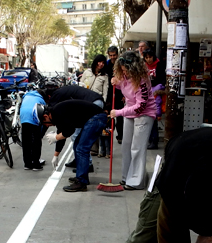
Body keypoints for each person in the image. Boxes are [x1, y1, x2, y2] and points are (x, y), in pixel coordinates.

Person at [40, 85, 108, 192]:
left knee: (81, 148)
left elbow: (68, 131)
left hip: (96, 118)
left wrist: (56, 137)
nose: (48, 126)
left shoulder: (57, 112)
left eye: (45, 124)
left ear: (45, 116)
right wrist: (56, 155)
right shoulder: (55, 112)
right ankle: (81, 177)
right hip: (95, 118)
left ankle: (81, 182)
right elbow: (63, 133)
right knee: (77, 145)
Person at [110, 51, 158, 190]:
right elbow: (126, 87)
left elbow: (139, 107)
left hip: (144, 114)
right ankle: (126, 177)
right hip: (130, 112)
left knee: (137, 148)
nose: (123, 71)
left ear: (134, 68)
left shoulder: (142, 81)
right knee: (126, 146)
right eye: (122, 68)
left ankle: (136, 181)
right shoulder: (126, 75)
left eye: (126, 69)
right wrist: (117, 83)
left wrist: (118, 112)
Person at [20, 88, 47, 171]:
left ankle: (27, 164)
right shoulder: (41, 99)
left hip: (24, 119)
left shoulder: (26, 97)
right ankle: (36, 164)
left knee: (26, 142)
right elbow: (43, 115)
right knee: (36, 141)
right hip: (34, 119)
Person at [143, 50, 162, 150]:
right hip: (146, 92)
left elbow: (161, 79)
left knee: (153, 117)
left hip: (155, 93)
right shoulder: (143, 66)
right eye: (146, 57)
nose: (148, 59)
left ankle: (154, 140)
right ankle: (150, 139)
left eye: (150, 57)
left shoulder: (159, 65)